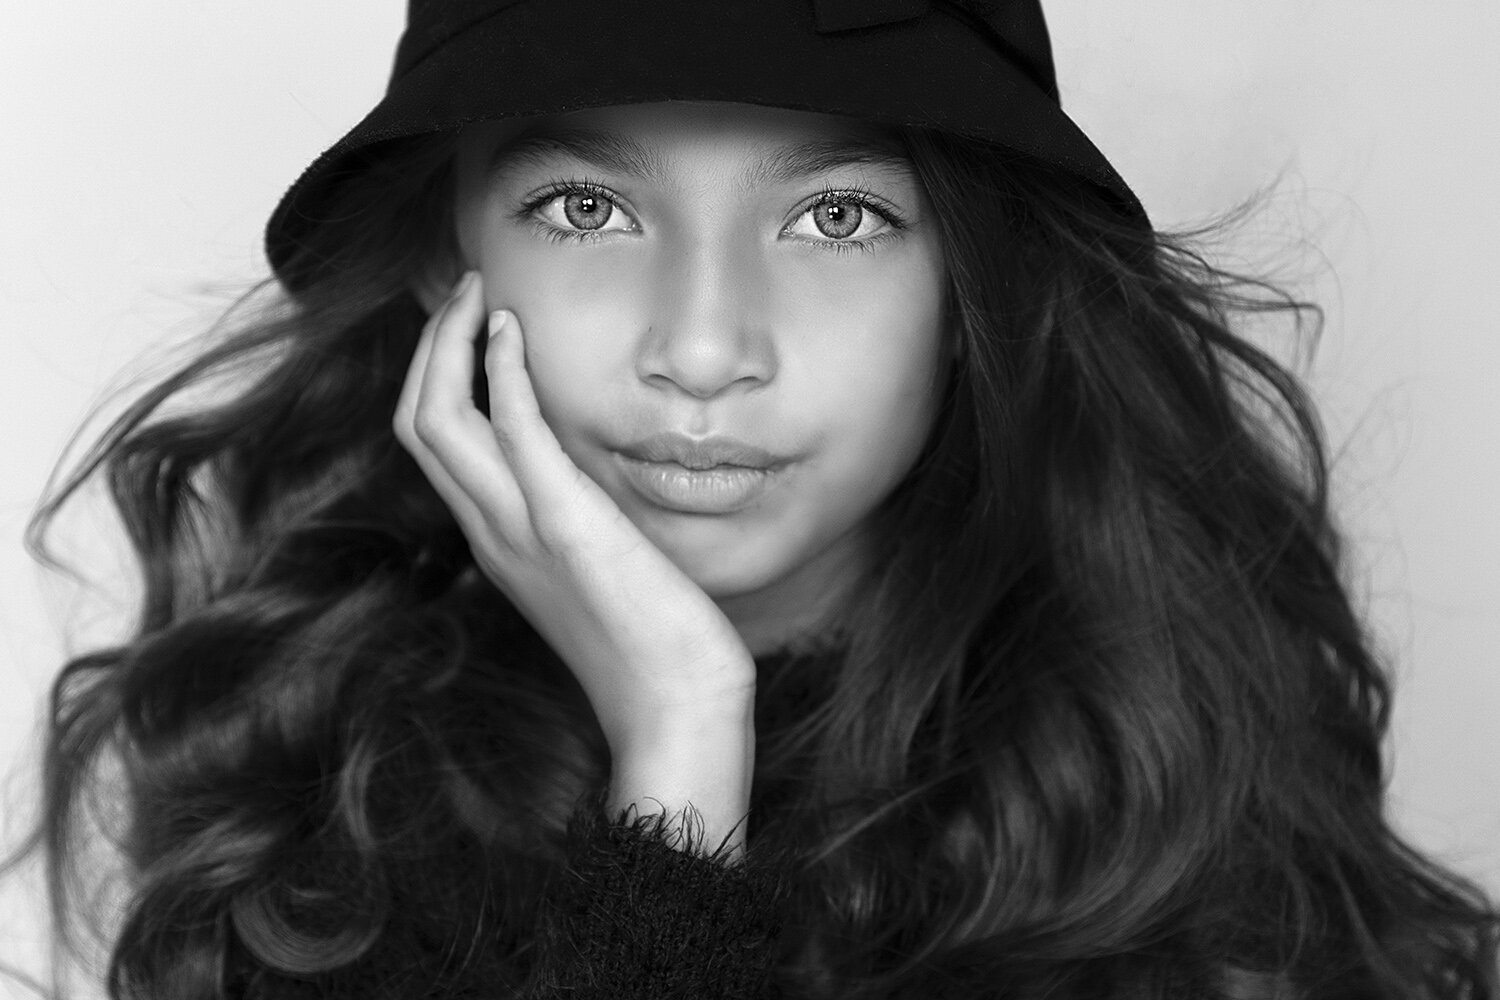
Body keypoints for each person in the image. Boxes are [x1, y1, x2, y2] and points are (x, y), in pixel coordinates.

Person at [13, 0, 1499, 997]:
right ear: (440, 256)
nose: (706, 349)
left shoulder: (1180, 759)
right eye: (585, 209)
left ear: (974, 279)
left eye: (836, 216)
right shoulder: (313, 765)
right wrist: (677, 754)